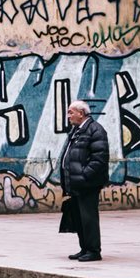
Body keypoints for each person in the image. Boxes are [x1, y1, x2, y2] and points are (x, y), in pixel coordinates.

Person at [60, 100, 110, 262]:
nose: (68, 116)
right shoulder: (77, 130)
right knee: (79, 218)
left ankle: (94, 250)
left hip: (87, 184)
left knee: (88, 218)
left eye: (71, 112)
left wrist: (83, 175)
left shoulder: (95, 130)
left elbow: (99, 159)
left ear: (81, 113)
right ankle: (85, 248)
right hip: (75, 183)